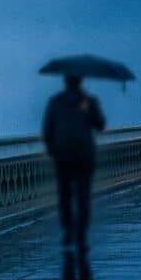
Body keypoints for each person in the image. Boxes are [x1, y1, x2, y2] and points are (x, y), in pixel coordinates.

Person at [42, 74, 105, 251]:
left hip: (63, 157)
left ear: (66, 82)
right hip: (84, 156)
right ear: (80, 82)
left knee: (65, 196)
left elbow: (48, 129)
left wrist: (52, 150)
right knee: (83, 197)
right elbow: (100, 125)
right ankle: (81, 236)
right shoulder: (89, 101)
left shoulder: (55, 102)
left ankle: (69, 232)